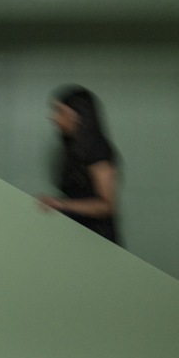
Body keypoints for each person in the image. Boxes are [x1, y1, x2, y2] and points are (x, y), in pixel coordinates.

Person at [39, 85, 121, 244]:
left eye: (60, 111)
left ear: (77, 115)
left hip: (99, 239)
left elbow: (106, 206)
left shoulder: (98, 149)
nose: (53, 116)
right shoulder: (72, 148)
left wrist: (61, 204)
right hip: (77, 235)